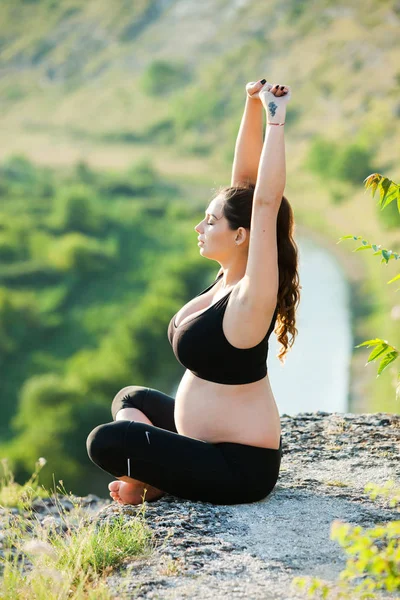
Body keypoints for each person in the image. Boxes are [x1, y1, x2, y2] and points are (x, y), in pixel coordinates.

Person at [86, 79, 300, 505]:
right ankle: (160, 475)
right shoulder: (226, 278)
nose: (199, 228)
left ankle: (157, 479)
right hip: (200, 444)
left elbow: (264, 202)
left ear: (242, 236)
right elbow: (243, 184)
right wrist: (251, 106)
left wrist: (276, 120)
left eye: (210, 221)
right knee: (131, 398)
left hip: (238, 467)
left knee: (104, 441)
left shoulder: (251, 296)